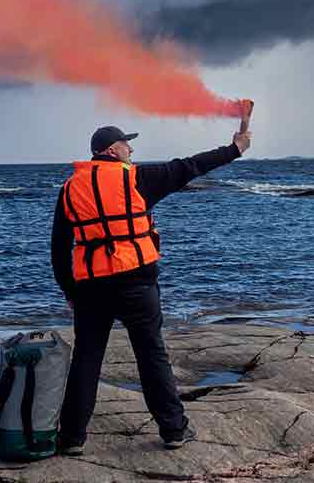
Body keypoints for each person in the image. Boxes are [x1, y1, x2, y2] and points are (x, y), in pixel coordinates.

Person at [50, 120, 251, 454]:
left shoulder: (70, 189)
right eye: (127, 145)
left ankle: (72, 438)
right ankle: (173, 430)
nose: (132, 150)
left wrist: (69, 290)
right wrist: (234, 150)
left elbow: (59, 248)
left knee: (86, 359)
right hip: (136, 281)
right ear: (113, 150)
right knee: (151, 356)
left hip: (90, 287)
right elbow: (191, 166)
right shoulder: (137, 179)